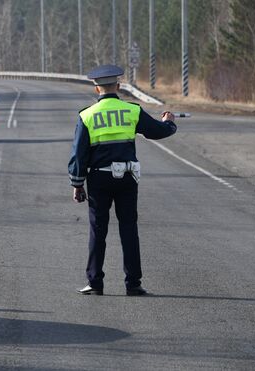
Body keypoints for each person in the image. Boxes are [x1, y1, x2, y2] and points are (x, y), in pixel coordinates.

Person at [68, 64, 177, 296]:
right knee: (129, 229)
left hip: (99, 179)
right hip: (127, 178)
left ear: (97, 89)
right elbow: (158, 131)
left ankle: (95, 283)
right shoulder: (132, 111)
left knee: (98, 230)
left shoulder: (86, 116)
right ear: (117, 86)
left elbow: (79, 154)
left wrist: (77, 184)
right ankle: (133, 284)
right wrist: (169, 121)